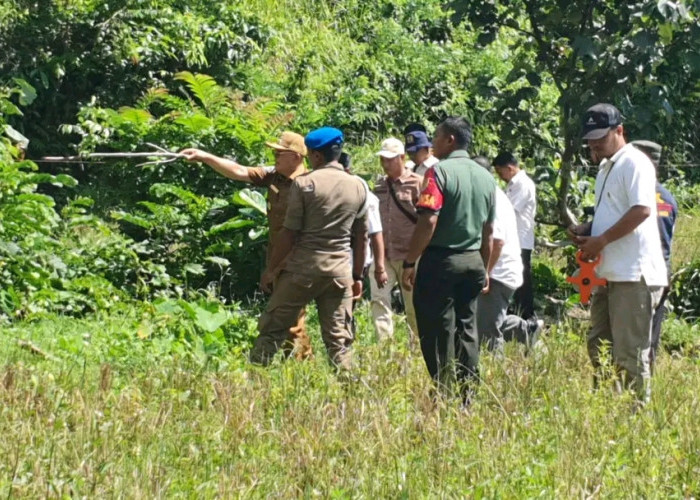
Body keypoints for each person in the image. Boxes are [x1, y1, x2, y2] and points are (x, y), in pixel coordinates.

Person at [180, 132, 313, 359]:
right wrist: (204, 156)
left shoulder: (310, 184)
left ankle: (300, 364)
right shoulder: (274, 177)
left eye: (279, 153)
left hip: (297, 259)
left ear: (295, 157)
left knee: (291, 317)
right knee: (287, 315)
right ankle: (297, 361)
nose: (275, 157)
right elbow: (239, 171)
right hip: (276, 256)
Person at [568, 103, 667, 403]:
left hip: (633, 274)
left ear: (619, 131)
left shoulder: (634, 162)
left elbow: (641, 210)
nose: (594, 143)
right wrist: (589, 229)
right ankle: (608, 408)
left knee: (629, 354)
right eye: (590, 138)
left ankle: (636, 418)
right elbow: (612, 213)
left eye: (600, 136)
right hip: (608, 273)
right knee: (598, 344)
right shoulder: (605, 168)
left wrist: (602, 240)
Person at [251, 127, 369, 370]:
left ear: (315, 156)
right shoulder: (357, 186)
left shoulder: (305, 184)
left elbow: (290, 233)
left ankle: (254, 378)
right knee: (339, 341)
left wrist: (271, 269)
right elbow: (361, 236)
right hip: (339, 272)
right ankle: (351, 389)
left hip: (302, 270)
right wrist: (357, 276)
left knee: (272, 329)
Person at [402, 116, 496, 402]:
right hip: (472, 261)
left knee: (436, 329)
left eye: (437, 137)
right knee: (467, 327)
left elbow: (428, 221)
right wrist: (485, 268)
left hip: (441, 263)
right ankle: (469, 393)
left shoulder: (437, 173)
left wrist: (410, 261)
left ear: (450, 140)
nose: (432, 143)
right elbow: (488, 231)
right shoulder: (486, 177)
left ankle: (444, 392)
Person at [475, 161, 544, 352]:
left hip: (498, 271)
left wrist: (485, 273)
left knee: (487, 332)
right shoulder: (494, 193)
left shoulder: (492, 198)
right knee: (483, 318)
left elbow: (497, 242)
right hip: (501, 268)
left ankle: (494, 377)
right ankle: (527, 330)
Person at [630, 140, 678, 372]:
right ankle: (648, 373)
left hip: (640, 273)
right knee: (652, 334)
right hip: (663, 271)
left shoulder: (638, 197)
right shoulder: (668, 198)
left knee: (633, 336)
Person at [371, 138, 423, 341]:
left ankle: (418, 347)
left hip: (410, 255)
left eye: (390, 159)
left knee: (413, 305)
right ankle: (386, 348)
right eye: (383, 159)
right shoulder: (379, 184)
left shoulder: (417, 183)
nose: (385, 164)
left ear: (402, 158)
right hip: (384, 254)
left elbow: (426, 221)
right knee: (379, 299)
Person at [493, 152, 537, 320]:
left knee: (523, 277)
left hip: (521, 239)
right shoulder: (513, 184)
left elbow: (508, 209)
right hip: (514, 238)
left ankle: (527, 313)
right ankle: (518, 310)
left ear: (509, 168)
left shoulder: (522, 184)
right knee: (518, 275)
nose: (499, 176)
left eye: (500, 171)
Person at [339, 152, 388, 289]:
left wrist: (380, 268)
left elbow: (375, 232)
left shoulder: (365, 196)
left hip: (353, 262)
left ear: (347, 171)